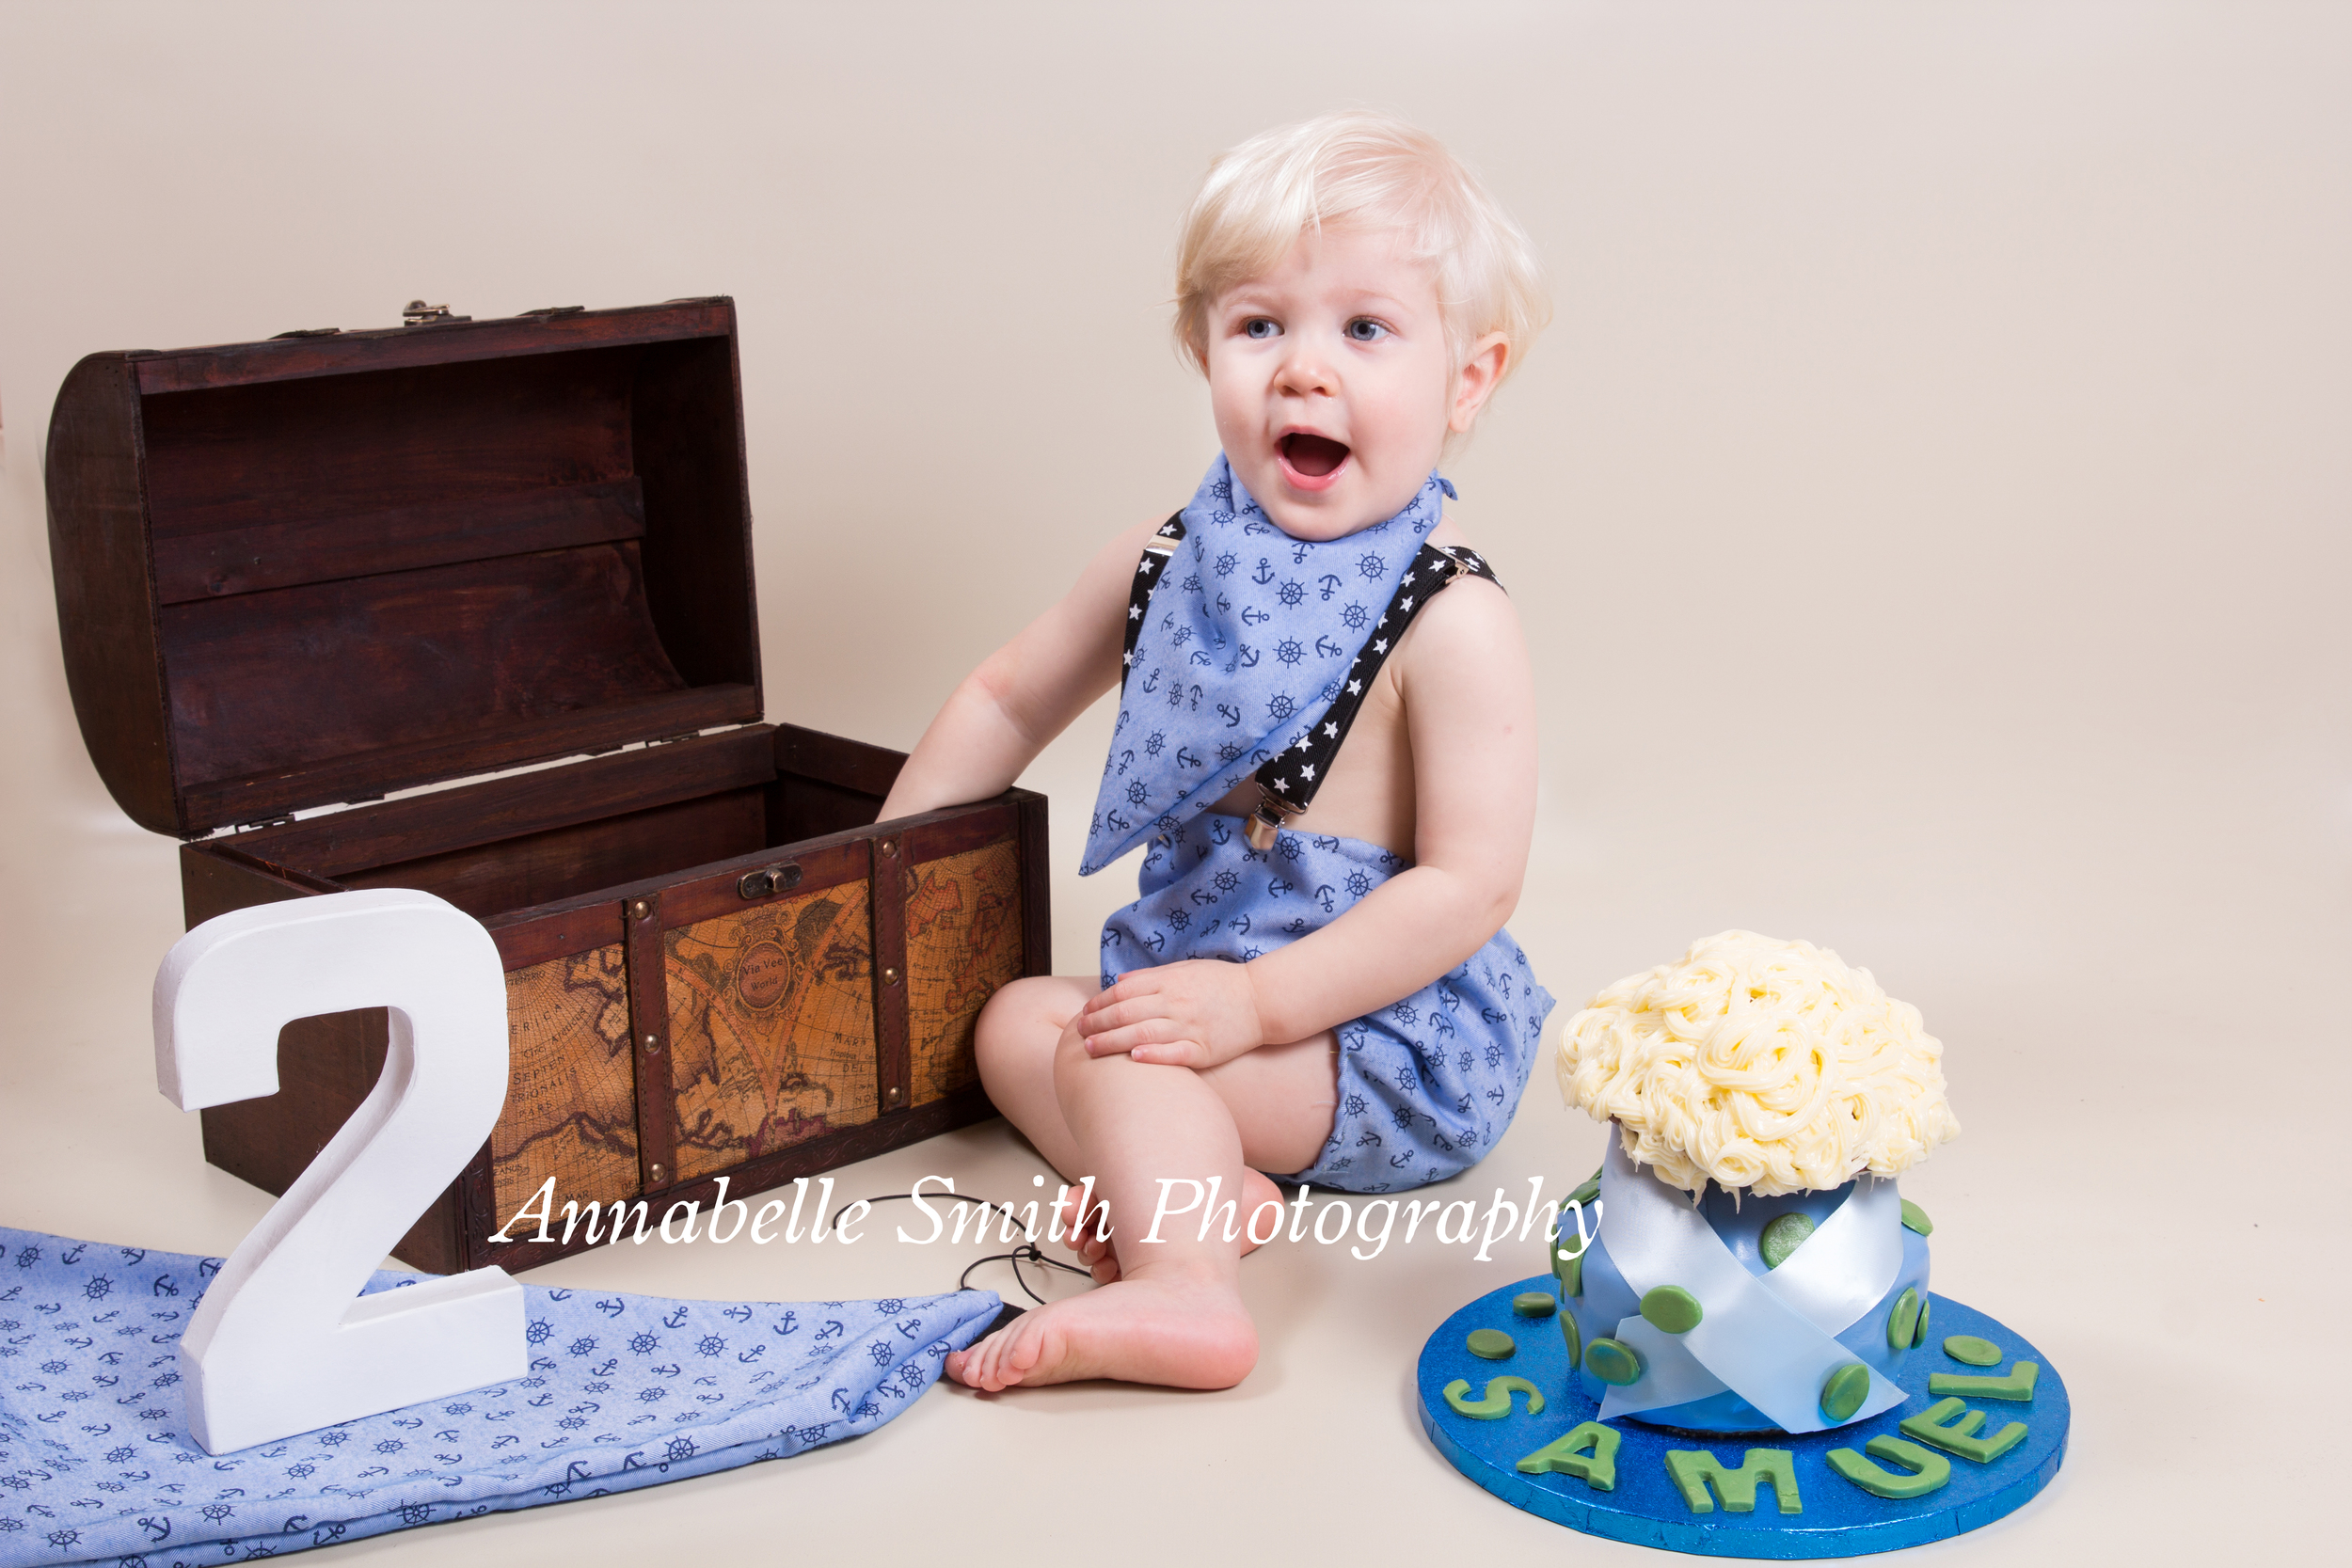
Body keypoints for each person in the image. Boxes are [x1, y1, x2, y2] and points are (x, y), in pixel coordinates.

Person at [874, 110, 1554, 1391]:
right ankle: (1198, 1176)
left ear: (1467, 381)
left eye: (1366, 329)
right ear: (1202, 349)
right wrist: (876, 873)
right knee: (1016, 1024)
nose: (1304, 371)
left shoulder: (1448, 615)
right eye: (1260, 326)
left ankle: (1184, 1287)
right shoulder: (1165, 562)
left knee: (1113, 1056)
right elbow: (1007, 699)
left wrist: (1257, 1005)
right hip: (1202, 1001)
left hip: (1375, 1040)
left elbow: (1472, 886)